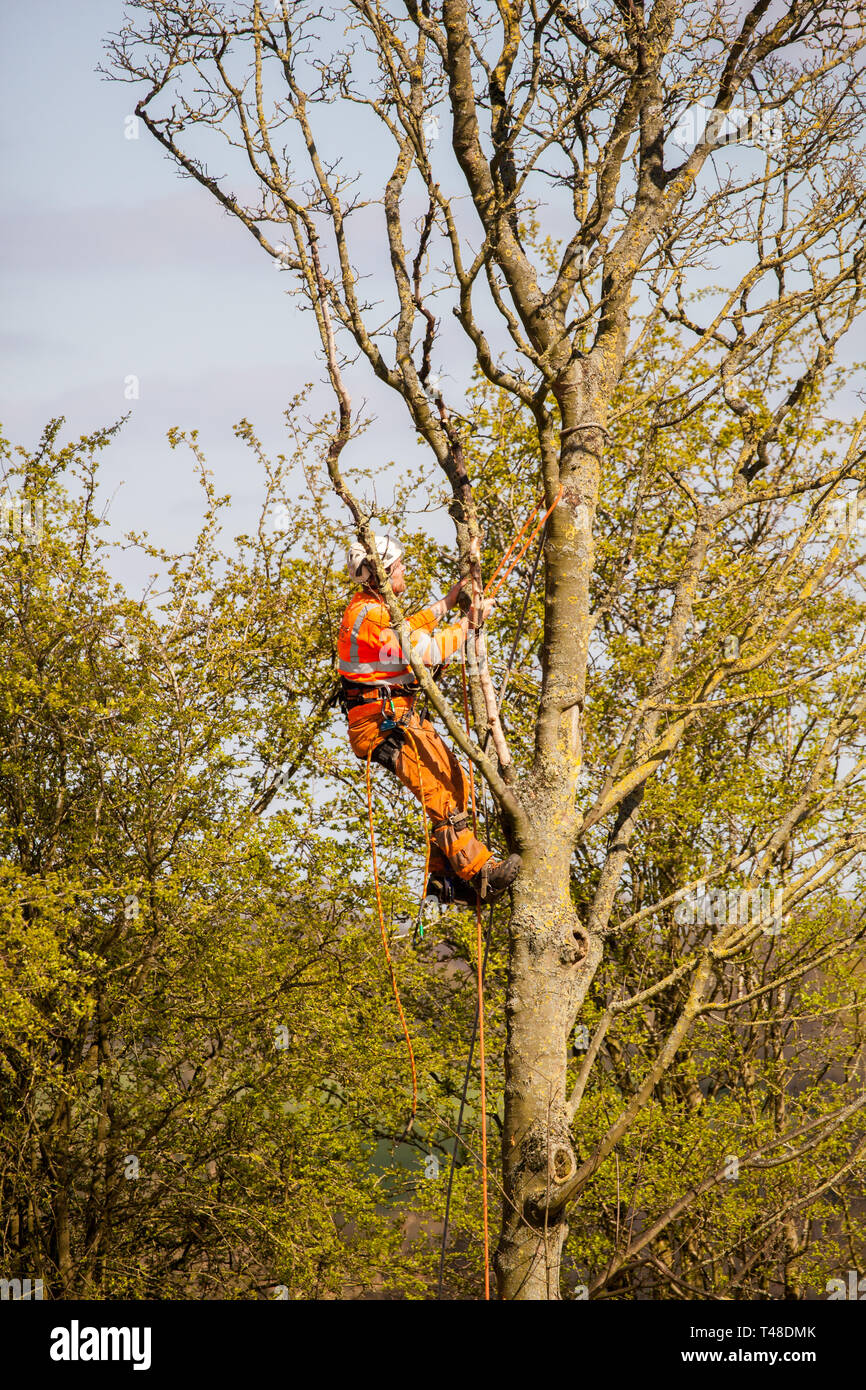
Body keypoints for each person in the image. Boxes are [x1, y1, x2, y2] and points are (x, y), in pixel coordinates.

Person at [337, 533, 521, 905]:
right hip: (379, 724)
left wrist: (451, 600)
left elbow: (414, 626)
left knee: (457, 781)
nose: (405, 570)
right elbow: (428, 651)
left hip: (397, 715)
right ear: (383, 574)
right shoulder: (368, 617)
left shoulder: (375, 609)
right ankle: (480, 872)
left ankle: (445, 878)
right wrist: (470, 625)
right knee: (439, 792)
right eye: (400, 566)